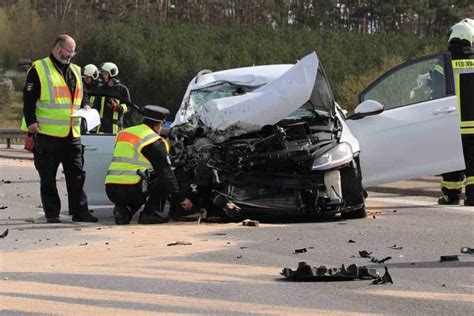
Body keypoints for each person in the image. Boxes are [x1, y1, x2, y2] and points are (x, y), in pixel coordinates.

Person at [21, 35, 97, 223]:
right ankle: (52, 214)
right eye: (68, 51)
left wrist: (86, 106)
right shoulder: (39, 68)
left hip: (72, 133)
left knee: (77, 174)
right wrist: (31, 121)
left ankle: (80, 211)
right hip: (47, 133)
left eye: (73, 52)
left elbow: (83, 95)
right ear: (57, 48)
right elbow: (29, 98)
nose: (70, 55)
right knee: (48, 176)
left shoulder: (76, 70)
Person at [104, 105, 193, 224]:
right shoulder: (152, 140)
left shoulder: (124, 133)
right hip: (133, 189)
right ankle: (149, 213)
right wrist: (181, 199)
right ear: (159, 125)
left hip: (111, 189)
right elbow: (166, 173)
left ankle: (124, 210)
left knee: (143, 176)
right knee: (163, 176)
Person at [438, 18, 474, 206]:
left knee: (451, 160)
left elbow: (433, 84)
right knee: (473, 162)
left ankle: (451, 196)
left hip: (450, 121)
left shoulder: (443, 61)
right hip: (473, 123)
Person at [94, 62, 128, 134]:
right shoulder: (101, 89)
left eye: (105, 74)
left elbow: (128, 106)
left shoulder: (122, 89)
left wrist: (117, 107)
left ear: (112, 74)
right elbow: (96, 106)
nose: (103, 76)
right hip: (101, 128)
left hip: (116, 128)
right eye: (103, 74)